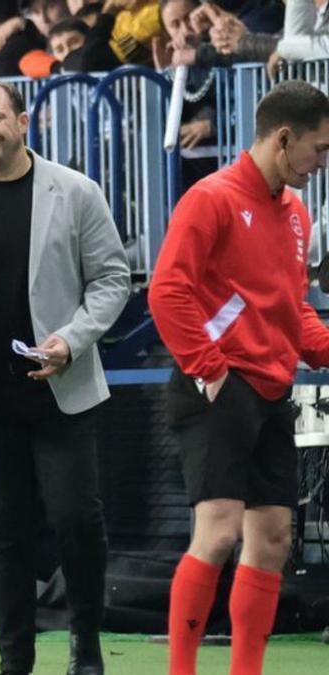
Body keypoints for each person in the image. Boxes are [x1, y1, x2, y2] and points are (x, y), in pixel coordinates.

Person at [0, 80, 130, 675]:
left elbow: (113, 280)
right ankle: (14, 661)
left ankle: (85, 643)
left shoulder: (76, 192)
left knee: (75, 518)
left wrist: (71, 339)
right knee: (5, 531)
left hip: (61, 391)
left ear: (22, 121)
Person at [148, 80, 329, 675]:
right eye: (319, 149)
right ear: (284, 139)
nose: (322, 162)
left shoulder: (296, 213)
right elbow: (167, 290)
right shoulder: (212, 198)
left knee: (273, 537)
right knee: (220, 531)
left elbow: (291, 308)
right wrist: (210, 371)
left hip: (270, 389)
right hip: (218, 388)